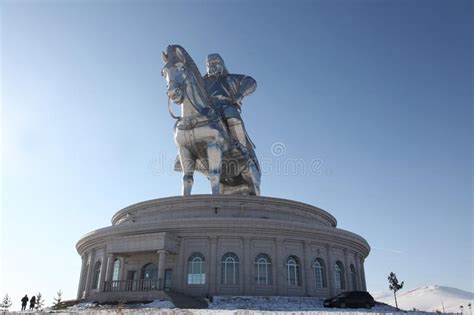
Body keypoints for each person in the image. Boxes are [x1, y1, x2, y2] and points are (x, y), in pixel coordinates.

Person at [203, 53, 257, 156]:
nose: (212, 66)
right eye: (209, 64)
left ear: (221, 65)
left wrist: (240, 94)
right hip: (206, 109)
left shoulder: (230, 78)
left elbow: (251, 82)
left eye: (215, 63)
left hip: (225, 105)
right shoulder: (202, 82)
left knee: (230, 113)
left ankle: (241, 147)